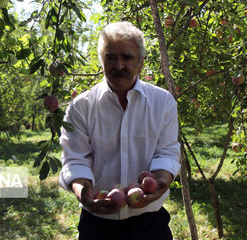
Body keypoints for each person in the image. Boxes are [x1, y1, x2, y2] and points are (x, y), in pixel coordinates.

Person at [59, 21, 181, 240]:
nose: (119, 65)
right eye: (111, 57)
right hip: (97, 225)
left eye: (127, 57)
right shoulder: (81, 106)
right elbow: (75, 160)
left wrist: (159, 185)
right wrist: (85, 196)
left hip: (149, 224)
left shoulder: (163, 102)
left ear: (141, 63)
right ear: (102, 62)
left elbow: (167, 152)